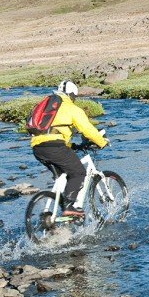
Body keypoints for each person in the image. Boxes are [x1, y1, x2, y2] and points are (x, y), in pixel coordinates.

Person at [30, 80, 108, 217]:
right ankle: (68, 207)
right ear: (72, 95)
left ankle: (57, 213)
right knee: (78, 173)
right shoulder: (72, 108)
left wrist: (72, 146)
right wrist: (101, 142)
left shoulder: (50, 106)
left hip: (37, 147)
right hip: (55, 147)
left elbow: (51, 133)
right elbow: (88, 130)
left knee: (63, 176)